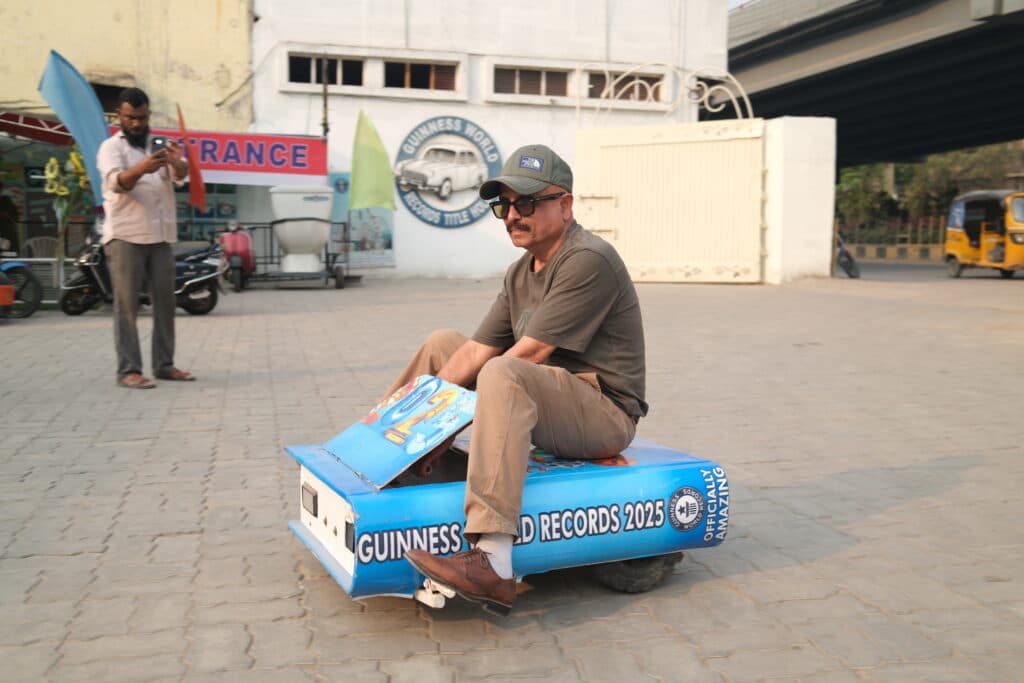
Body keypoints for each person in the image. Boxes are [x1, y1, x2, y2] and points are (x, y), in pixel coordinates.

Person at [400, 144, 647, 614]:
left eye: (527, 202)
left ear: (566, 205)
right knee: (443, 344)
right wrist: (419, 427)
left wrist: (446, 426)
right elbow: (474, 349)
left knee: (505, 370)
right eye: (504, 205)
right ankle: (389, 454)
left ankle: (492, 561)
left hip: (604, 414)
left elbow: (527, 354)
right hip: (551, 398)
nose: (514, 214)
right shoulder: (519, 272)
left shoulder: (587, 259)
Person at [96, 87, 195, 389]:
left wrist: (177, 163)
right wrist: (141, 167)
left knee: (166, 304)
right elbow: (117, 183)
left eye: (141, 117)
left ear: (148, 115)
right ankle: (128, 370)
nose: (136, 124)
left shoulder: (160, 146)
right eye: (130, 118)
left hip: (161, 235)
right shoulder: (111, 147)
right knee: (126, 306)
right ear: (119, 117)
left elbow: (180, 179)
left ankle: (164, 365)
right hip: (127, 235)